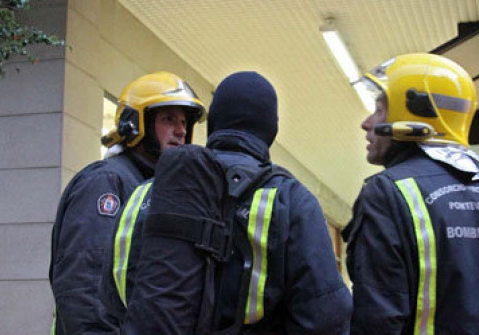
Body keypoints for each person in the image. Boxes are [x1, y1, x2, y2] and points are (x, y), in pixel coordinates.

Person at [109, 71, 352, 334]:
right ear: (270, 129)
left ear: (214, 122)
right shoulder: (289, 199)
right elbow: (326, 316)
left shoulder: (143, 195)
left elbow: (112, 296)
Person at [343, 53, 479, 334]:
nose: (367, 122)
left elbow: (378, 320)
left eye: (379, 110)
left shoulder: (387, 193)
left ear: (413, 113)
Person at [49, 71, 206, 334]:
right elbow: (85, 288)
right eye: (168, 119)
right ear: (136, 124)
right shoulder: (107, 182)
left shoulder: (153, 189)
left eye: (184, 122)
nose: (180, 131)